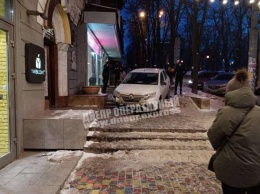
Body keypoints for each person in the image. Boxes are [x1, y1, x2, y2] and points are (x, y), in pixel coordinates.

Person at [207, 69, 260, 194]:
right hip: (256, 172)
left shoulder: (225, 112)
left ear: (230, 92)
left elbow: (213, 137)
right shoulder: (259, 112)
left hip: (231, 171)